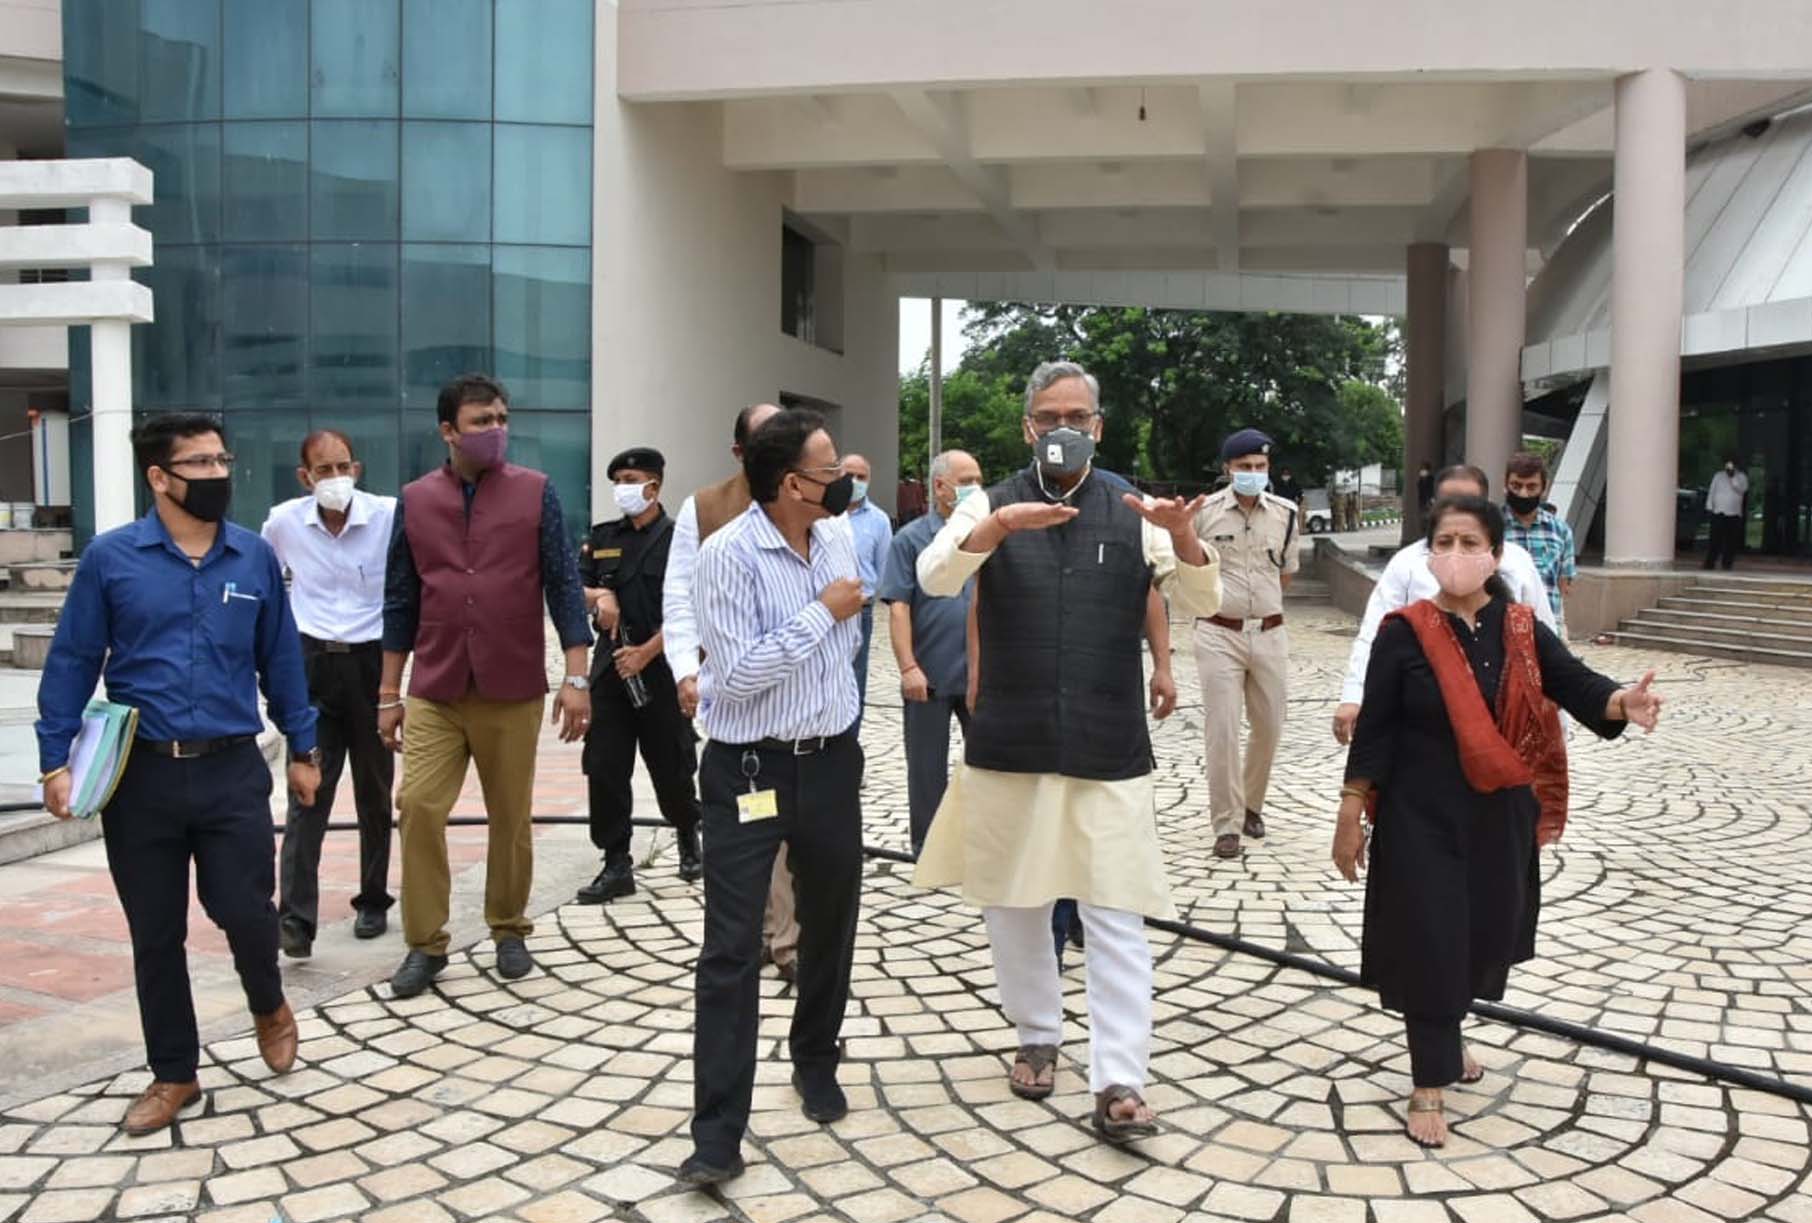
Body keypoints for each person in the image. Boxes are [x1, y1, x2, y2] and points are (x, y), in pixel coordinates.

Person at [914, 360, 1222, 1142]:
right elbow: (935, 575)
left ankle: (1120, 1078)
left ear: (1098, 427)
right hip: (1010, 736)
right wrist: (995, 531)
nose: (1063, 428)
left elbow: (1202, 599)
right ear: (1028, 427)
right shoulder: (988, 502)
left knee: (1115, 908)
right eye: (1049, 416)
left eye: (1077, 417)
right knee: (1014, 902)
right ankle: (1037, 1033)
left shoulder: (1135, 508)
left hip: (1106, 740)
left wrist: (1184, 535)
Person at [1333, 494, 1663, 1148]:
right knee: (1431, 940)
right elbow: (1376, 730)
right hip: (1419, 817)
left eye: (1469, 543)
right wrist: (1350, 811)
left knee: (1480, 935)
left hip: (1498, 816)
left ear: (1495, 554)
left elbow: (1574, 682)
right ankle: (1429, 1081)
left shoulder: (1519, 627)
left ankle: (1448, 1034)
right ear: (1428, 553)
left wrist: (1622, 701)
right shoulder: (1404, 631)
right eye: (1444, 542)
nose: (1455, 555)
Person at [37, 413, 320, 1135]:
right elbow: (74, 658)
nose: (218, 474)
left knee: (244, 909)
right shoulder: (111, 559)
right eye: (200, 463)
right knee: (155, 931)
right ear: (159, 477)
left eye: (222, 459)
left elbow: (281, 657)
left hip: (231, 771)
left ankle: (267, 1002)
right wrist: (54, 758)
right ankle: (174, 1073)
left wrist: (305, 748)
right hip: (141, 779)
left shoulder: (253, 557)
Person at [681, 408, 867, 1186]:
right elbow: (738, 673)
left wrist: (832, 626)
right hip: (749, 769)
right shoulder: (726, 555)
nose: (844, 477)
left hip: (830, 763)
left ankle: (815, 1055)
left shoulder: (837, 535)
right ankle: (717, 1133)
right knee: (730, 947)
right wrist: (822, 612)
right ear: (792, 484)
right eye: (830, 468)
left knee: (831, 919)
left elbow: (846, 648)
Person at [380, 373, 592, 998]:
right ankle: (425, 943)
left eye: (501, 418)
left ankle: (508, 928)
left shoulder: (536, 492)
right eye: (481, 421)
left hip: (512, 683)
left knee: (510, 815)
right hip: (436, 685)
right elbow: (399, 599)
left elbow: (563, 586)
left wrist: (577, 676)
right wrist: (388, 694)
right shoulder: (415, 500)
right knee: (419, 806)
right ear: (448, 431)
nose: (495, 430)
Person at [662, 402, 800, 982]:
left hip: (796, 696)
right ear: (740, 451)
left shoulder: (809, 501)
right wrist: (684, 670)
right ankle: (758, 937)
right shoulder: (705, 507)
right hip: (733, 699)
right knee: (750, 822)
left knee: (789, 832)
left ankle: (789, 942)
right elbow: (679, 595)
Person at [261, 429, 396, 957]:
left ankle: (373, 900)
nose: (336, 478)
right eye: (324, 470)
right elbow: (264, 584)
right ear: (305, 477)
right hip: (312, 664)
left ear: (356, 469)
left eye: (343, 467)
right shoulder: (283, 523)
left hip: (371, 664)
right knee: (307, 789)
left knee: (374, 790)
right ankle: (295, 919)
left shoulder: (388, 516)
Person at [1332, 465, 1555, 746]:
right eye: (1449, 502)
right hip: (1426, 711)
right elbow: (1374, 634)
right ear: (1434, 505)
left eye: (1469, 502)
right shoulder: (1407, 563)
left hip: (1503, 713)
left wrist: (1553, 712)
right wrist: (1354, 696)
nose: (1458, 512)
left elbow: (1544, 637)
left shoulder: (1516, 562)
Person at [575, 446, 703, 902]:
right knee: (605, 767)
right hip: (611, 671)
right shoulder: (603, 537)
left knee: (671, 768)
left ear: (654, 486)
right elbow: (574, 586)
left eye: (631, 481)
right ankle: (616, 862)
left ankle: (688, 832)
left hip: (662, 671)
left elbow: (694, 609)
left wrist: (647, 653)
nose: (622, 489)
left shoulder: (680, 539)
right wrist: (599, 597)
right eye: (618, 481)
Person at [1191, 428, 1299, 860]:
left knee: (1270, 726)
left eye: (1260, 466)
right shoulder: (1205, 513)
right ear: (1228, 468)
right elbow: (1191, 569)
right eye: (1245, 466)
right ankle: (1227, 824)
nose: (1253, 472)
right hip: (1218, 632)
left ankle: (1252, 804)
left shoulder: (1286, 514)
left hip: (1270, 632)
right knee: (1223, 730)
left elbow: (1285, 573)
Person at [880, 449, 981, 856]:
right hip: (930, 673)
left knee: (990, 766)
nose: (976, 488)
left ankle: (986, 844)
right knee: (926, 768)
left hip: (980, 674)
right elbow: (898, 608)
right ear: (940, 487)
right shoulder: (910, 540)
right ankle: (929, 848)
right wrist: (908, 666)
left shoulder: (989, 533)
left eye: (979, 480)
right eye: (967, 481)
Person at [841, 452, 892, 732]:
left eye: (861, 477)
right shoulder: (820, 514)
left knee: (855, 678)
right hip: (821, 608)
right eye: (848, 475)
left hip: (860, 611)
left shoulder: (879, 521)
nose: (855, 481)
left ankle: (848, 745)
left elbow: (883, 568)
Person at [1502, 452, 1578, 631]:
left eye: (1531, 487)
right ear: (1505, 485)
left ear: (1544, 488)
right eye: (1516, 486)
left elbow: (1563, 586)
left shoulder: (1561, 531)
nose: (1523, 493)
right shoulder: (1490, 527)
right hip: (1502, 629)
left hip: (1548, 628)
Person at [1704, 455, 1749, 571]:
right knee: (1715, 539)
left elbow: (1741, 490)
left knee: (1731, 541)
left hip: (1734, 513)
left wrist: (1732, 477)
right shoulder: (1718, 476)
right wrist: (1709, 506)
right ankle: (1710, 563)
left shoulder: (1742, 477)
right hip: (1718, 511)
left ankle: (1727, 564)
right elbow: (1712, 491)